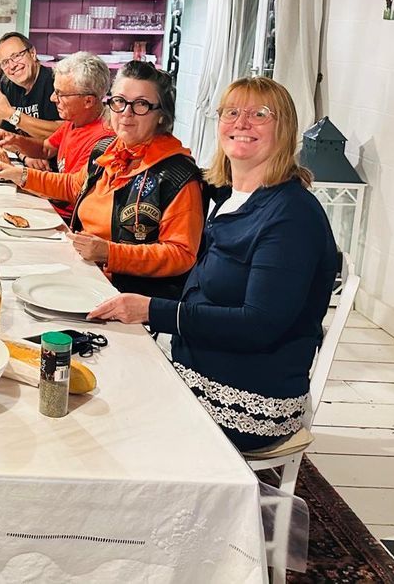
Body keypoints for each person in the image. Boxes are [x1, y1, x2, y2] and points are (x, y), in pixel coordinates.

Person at [89, 77, 337, 453]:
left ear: (285, 129)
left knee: (101, 418)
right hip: (197, 361)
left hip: (245, 395)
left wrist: (151, 310)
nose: (242, 123)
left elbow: (259, 326)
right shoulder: (230, 197)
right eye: (231, 112)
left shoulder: (291, 216)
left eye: (259, 114)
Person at [0, 61, 202, 300]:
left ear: (161, 115)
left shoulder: (176, 174)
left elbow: (182, 254)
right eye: (119, 101)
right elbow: (72, 186)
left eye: (141, 104)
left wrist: (110, 253)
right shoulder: (108, 148)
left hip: (124, 294)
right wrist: (17, 174)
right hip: (83, 269)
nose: (126, 113)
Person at [0, 52, 113, 215]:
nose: (53, 98)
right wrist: (15, 140)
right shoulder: (75, 120)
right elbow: (46, 148)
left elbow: (69, 193)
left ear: (88, 101)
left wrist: (15, 173)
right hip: (50, 205)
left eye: (60, 94)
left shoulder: (104, 140)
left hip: (65, 217)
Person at [0, 33, 61, 139]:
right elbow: (8, 133)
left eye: (16, 56)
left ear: (32, 53)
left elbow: (63, 133)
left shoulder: (56, 83)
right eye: (5, 62)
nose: (12, 66)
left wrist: (11, 115)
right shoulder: (8, 85)